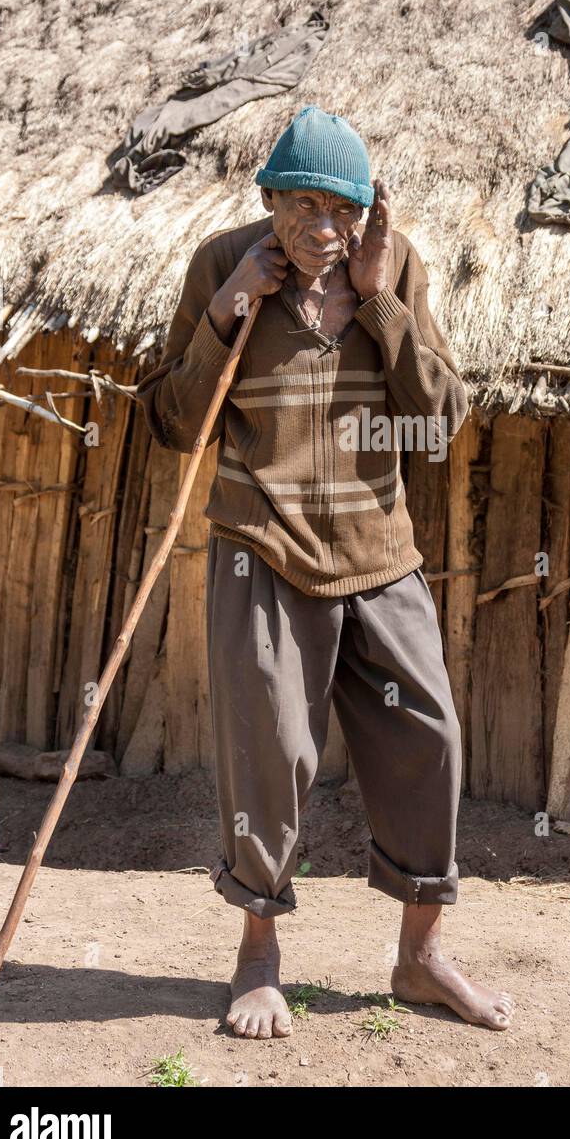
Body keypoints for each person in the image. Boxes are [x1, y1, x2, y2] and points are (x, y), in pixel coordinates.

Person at [137, 105, 515, 1038]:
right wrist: (228, 309)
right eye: (302, 208)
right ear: (268, 202)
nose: (323, 231)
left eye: (341, 212)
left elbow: (440, 417)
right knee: (271, 748)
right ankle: (258, 959)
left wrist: (382, 299)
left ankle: (421, 957)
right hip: (260, 549)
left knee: (428, 737)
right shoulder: (222, 265)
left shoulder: (391, 265)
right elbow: (173, 420)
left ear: (366, 211)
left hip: (377, 552)